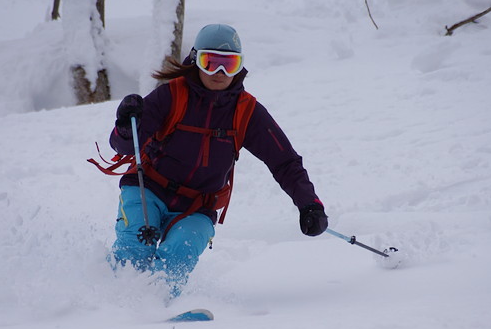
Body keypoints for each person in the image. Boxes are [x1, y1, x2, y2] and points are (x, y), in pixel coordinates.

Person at [107, 23, 327, 298]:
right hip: (147, 188)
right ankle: (111, 301)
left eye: (229, 64)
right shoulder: (171, 95)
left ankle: (154, 303)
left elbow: (285, 161)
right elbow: (124, 145)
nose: (220, 73)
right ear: (195, 60)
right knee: (135, 243)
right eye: (210, 62)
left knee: (181, 251)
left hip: (198, 206)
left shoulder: (246, 112)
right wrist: (127, 126)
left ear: (240, 67)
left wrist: (310, 205)